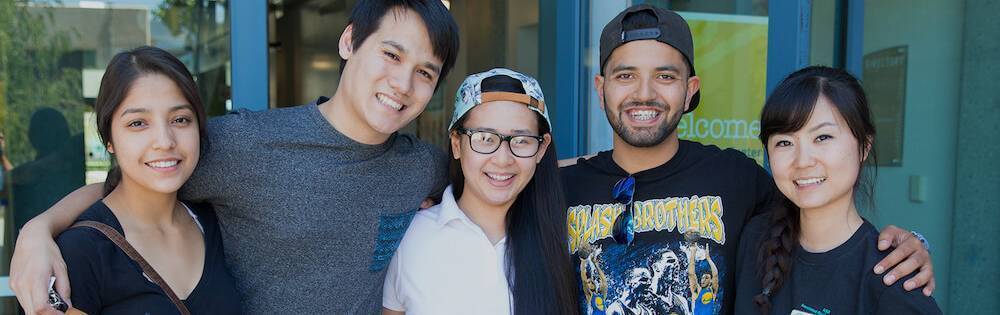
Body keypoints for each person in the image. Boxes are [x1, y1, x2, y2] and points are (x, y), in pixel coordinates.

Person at [9, 1, 460, 314]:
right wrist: (38, 230)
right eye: (390, 54)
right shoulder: (243, 144)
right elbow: (130, 184)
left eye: (425, 73)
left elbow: (492, 182)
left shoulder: (422, 167)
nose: (402, 83)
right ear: (349, 42)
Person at [560, 4, 936, 315]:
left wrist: (906, 245)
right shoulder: (561, 187)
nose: (644, 93)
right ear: (601, 87)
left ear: (690, 90)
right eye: (625, 76)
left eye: (665, 75)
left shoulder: (735, 176)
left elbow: (820, 209)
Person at [733, 66, 941, 314]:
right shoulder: (754, 239)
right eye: (784, 142)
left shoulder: (891, 276)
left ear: (864, 146)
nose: (803, 160)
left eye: (822, 137)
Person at [53, 46, 241, 314]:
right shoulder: (80, 252)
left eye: (180, 119)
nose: (165, 141)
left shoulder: (216, 221)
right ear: (110, 141)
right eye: (138, 123)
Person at [381, 68, 577, 315]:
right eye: (484, 138)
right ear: (456, 143)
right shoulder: (409, 236)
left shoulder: (567, 236)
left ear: (541, 148)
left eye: (521, 141)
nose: (503, 160)